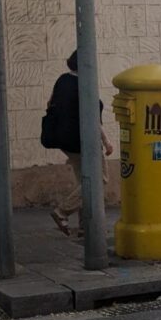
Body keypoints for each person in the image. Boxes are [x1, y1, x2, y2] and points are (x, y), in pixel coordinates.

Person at [47, 51, 113, 237]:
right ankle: (62, 212)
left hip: (64, 140)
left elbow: (50, 103)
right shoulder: (84, 85)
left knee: (84, 182)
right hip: (83, 141)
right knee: (98, 180)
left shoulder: (62, 80)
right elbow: (93, 118)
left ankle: (87, 226)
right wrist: (106, 142)